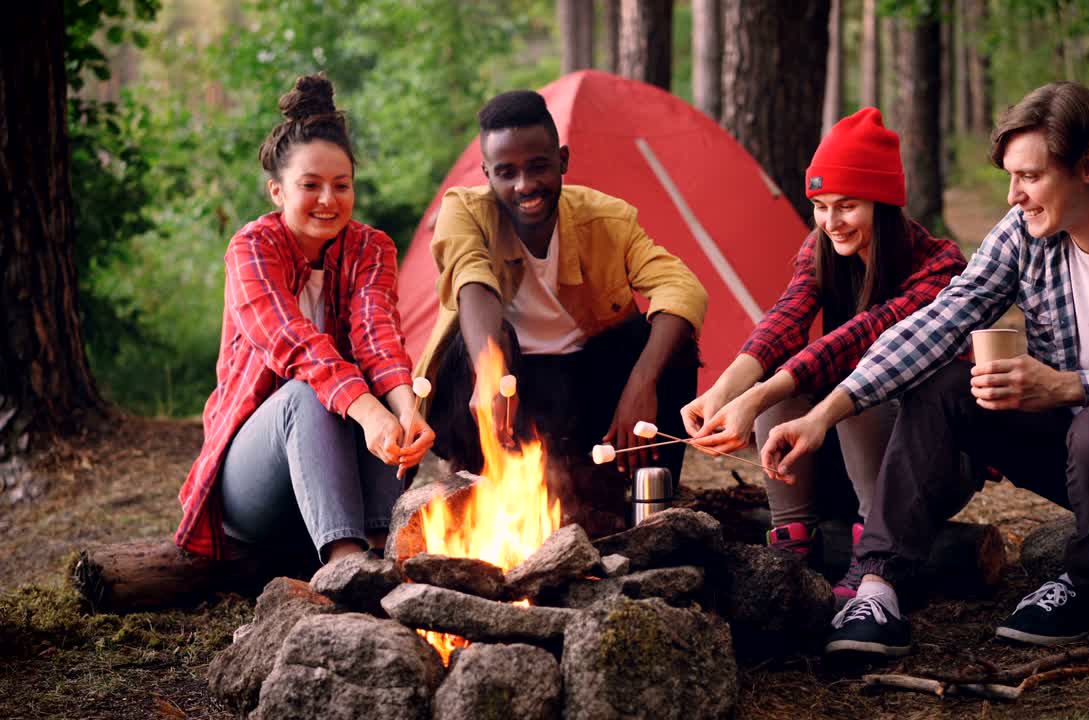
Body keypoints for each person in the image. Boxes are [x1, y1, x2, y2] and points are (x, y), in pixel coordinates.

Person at [761, 81, 1089, 656]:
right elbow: (937, 323)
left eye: (1030, 176)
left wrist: (1070, 386)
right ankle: (879, 585)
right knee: (946, 379)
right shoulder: (1025, 233)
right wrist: (824, 415)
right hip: (1082, 457)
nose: (1015, 195)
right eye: (1010, 178)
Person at [678, 108, 967, 601]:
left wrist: (757, 394)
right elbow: (785, 319)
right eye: (820, 205)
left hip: (926, 466)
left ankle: (874, 553)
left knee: (860, 393)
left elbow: (862, 338)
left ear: (883, 203)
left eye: (847, 205)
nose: (831, 222)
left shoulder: (941, 267)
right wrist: (726, 392)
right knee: (782, 398)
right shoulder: (823, 249)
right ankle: (793, 550)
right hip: (834, 458)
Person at [416, 89, 706, 533]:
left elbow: (682, 288)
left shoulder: (606, 220)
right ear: (486, 174)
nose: (524, 186)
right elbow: (471, 281)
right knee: (474, 345)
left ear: (563, 159)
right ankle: (474, 486)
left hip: (579, 395)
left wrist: (641, 383)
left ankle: (654, 510)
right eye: (506, 173)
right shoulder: (465, 211)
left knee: (669, 345)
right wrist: (489, 372)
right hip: (493, 399)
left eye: (538, 167)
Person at [175, 75, 433, 566]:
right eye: (309, 186)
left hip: (344, 481)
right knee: (307, 391)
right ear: (277, 191)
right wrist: (369, 412)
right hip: (256, 486)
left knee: (391, 391)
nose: (328, 200)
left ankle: (385, 549)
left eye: (341, 185)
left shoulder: (370, 248)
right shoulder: (252, 250)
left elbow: (380, 340)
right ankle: (345, 564)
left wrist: (405, 411)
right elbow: (298, 347)